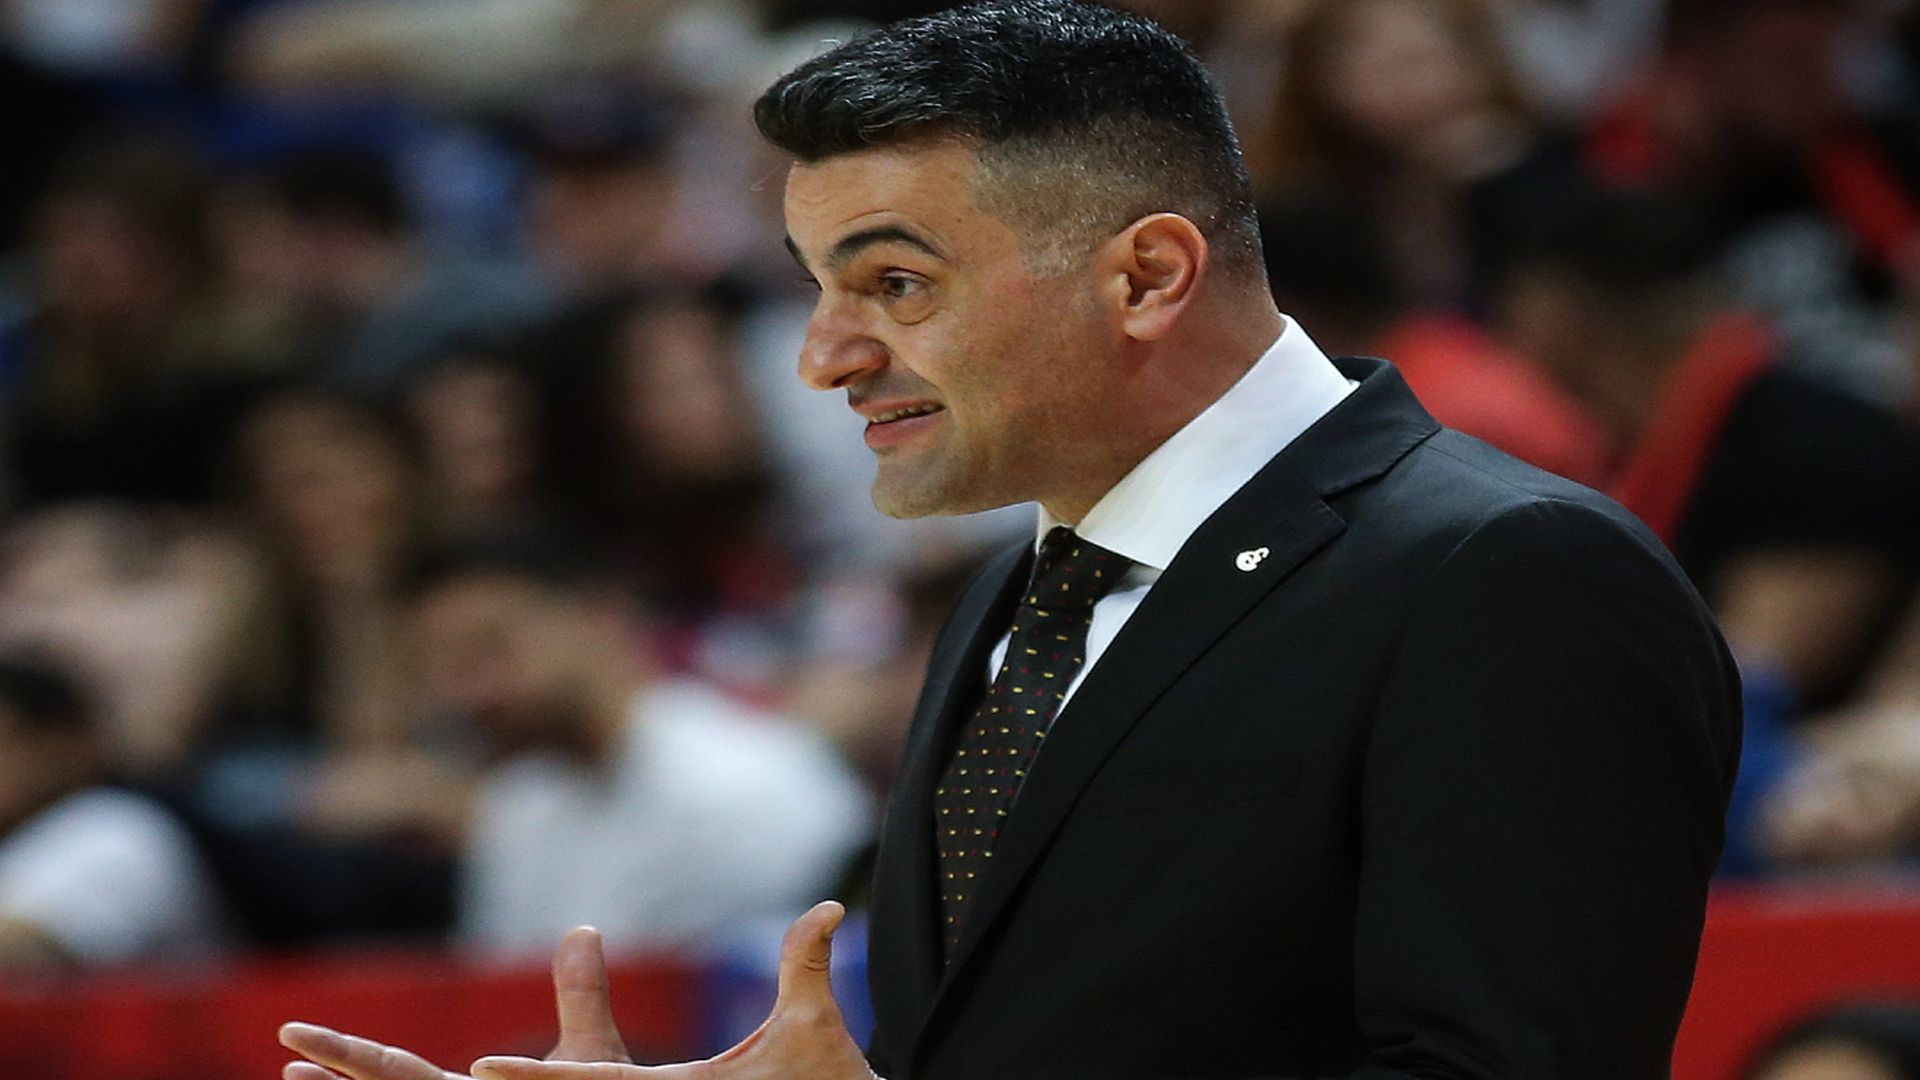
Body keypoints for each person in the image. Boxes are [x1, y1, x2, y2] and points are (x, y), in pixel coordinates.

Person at [279, 2, 1741, 1078]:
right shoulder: (1014, 588)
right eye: (815, 287)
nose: (825, 358)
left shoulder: (1510, 571)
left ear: (1147, 277)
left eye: (894, 283)